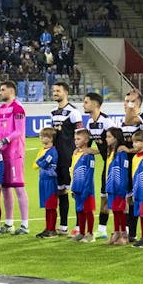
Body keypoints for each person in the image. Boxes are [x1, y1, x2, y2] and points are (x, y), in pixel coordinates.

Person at [0, 80, 30, 235]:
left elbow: (19, 131)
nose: (0, 92)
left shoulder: (18, 108)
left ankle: (25, 225)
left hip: (15, 153)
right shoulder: (2, 108)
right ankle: (9, 223)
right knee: (5, 188)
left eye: (3, 89)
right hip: (3, 153)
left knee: (19, 187)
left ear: (11, 90)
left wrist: (4, 140)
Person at [50, 82, 84, 235]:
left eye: (58, 91)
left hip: (70, 157)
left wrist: (79, 152)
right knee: (61, 191)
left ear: (66, 93)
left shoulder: (73, 112)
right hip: (58, 159)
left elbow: (81, 134)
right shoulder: (53, 113)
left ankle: (78, 227)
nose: (55, 93)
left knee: (75, 192)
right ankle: (63, 226)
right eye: (54, 91)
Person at [83, 91, 113, 239]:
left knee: (121, 197)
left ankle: (126, 230)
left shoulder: (107, 122)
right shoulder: (89, 123)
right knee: (104, 196)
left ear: (95, 104)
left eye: (86, 102)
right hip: (106, 164)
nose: (84, 104)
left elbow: (114, 143)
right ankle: (101, 230)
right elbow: (90, 147)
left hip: (115, 165)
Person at [120, 89, 143, 241]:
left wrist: (129, 149)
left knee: (137, 199)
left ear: (137, 104)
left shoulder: (142, 121)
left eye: (130, 101)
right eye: (125, 101)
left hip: (139, 166)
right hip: (125, 167)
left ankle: (135, 233)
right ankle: (128, 231)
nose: (127, 104)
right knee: (126, 199)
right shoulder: (122, 122)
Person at [104, 127, 131, 245]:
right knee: (115, 210)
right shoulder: (111, 152)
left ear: (116, 138)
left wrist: (121, 188)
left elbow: (124, 171)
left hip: (119, 186)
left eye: (109, 137)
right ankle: (116, 232)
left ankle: (123, 235)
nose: (106, 139)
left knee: (120, 210)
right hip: (111, 186)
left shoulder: (121, 152)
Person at [70, 129, 97, 243]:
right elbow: (72, 170)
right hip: (77, 187)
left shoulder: (89, 156)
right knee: (79, 210)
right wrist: (72, 187)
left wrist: (87, 189)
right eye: (75, 139)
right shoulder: (76, 153)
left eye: (78, 139)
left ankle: (90, 234)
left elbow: (89, 173)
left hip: (87, 188)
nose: (76, 141)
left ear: (86, 140)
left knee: (88, 210)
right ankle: (81, 232)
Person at [34, 127, 60, 238]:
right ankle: (47, 228)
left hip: (50, 180)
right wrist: (41, 161)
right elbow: (40, 162)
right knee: (46, 206)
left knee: (51, 206)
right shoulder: (47, 151)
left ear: (50, 138)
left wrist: (40, 160)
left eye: (43, 136)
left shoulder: (52, 152)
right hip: (43, 180)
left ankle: (52, 229)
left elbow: (42, 163)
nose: (41, 138)